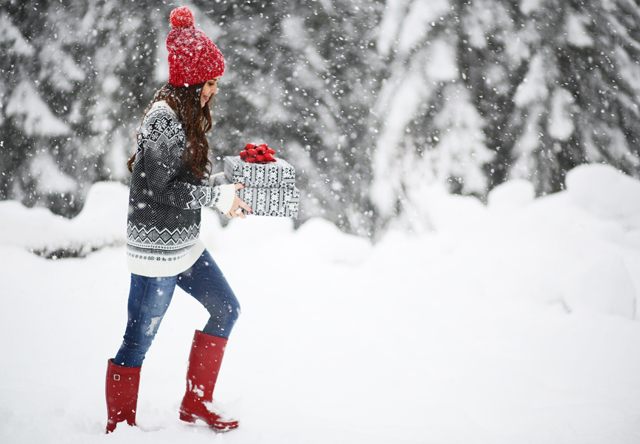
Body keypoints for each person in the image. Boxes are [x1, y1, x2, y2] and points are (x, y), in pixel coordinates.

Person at [105, 6, 251, 434]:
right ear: (191, 81)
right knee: (138, 340)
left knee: (226, 309)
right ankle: (120, 426)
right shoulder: (163, 120)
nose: (215, 90)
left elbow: (185, 180)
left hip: (184, 244)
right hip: (155, 250)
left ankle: (196, 402)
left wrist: (229, 183)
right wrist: (215, 197)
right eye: (210, 82)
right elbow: (161, 190)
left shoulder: (184, 116)